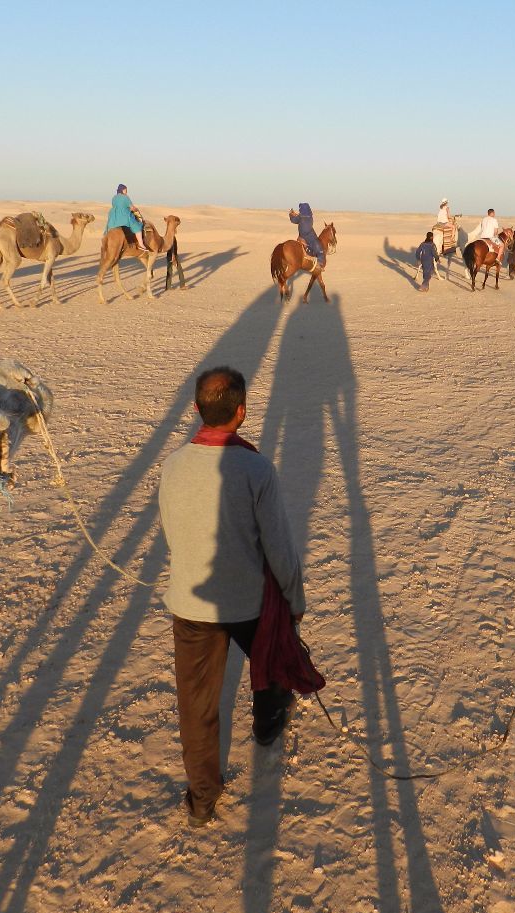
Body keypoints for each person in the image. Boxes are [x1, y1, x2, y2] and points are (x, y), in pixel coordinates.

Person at [158, 367, 307, 827]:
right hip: (249, 601)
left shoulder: (173, 464)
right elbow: (279, 547)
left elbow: (172, 530)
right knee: (273, 660)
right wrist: (293, 598)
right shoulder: (256, 468)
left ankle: (202, 799)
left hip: (191, 603)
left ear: (197, 410)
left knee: (197, 708)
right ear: (241, 413)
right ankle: (266, 728)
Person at [107, 184, 147, 250]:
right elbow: (131, 208)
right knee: (137, 226)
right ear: (122, 190)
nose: (126, 192)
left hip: (114, 217)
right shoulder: (125, 197)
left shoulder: (114, 197)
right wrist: (136, 209)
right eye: (125, 190)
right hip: (124, 216)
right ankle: (141, 244)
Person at [289, 202, 325, 267]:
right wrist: (293, 215)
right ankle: (320, 262)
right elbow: (298, 218)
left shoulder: (300, 216)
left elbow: (294, 220)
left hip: (302, 235)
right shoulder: (309, 217)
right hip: (308, 235)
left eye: (300, 209)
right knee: (318, 245)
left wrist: (291, 215)